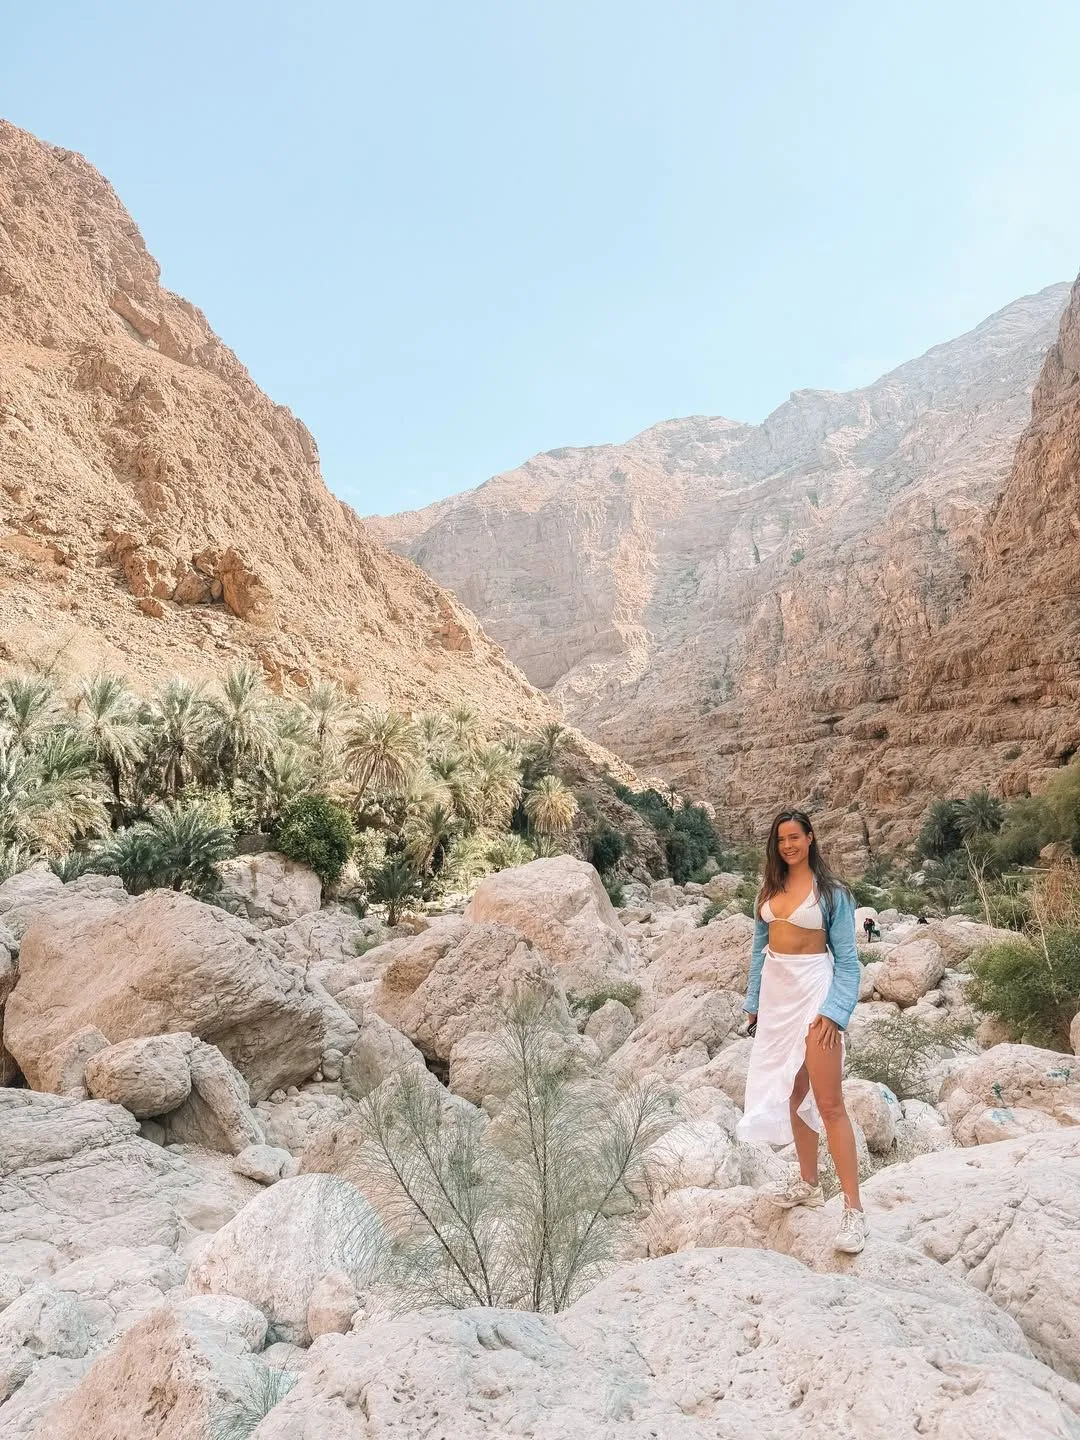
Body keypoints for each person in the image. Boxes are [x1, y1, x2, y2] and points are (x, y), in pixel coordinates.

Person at [735, 807, 866, 1253]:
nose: (788, 845)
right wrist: (754, 1005)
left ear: (810, 838)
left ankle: (854, 1210)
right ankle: (808, 1182)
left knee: (829, 1103)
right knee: (794, 1090)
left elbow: (848, 962)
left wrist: (835, 1012)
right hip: (777, 997)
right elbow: (759, 951)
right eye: (781, 839)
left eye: (795, 837)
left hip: (815, 994)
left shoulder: (832, 893)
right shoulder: (769, 890)